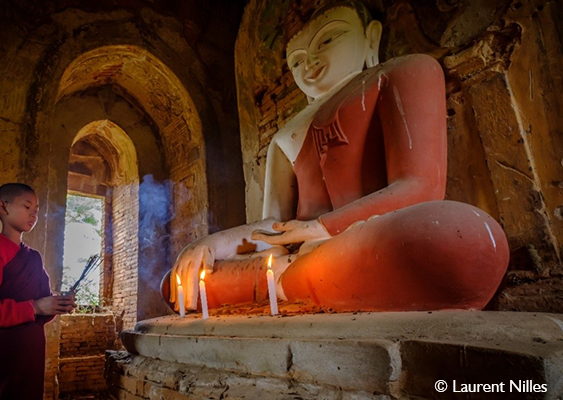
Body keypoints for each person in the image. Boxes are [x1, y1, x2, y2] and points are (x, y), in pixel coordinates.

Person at [166, 1, 509, 313]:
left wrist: (317, 229)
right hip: (310, 255)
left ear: (370, 39)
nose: (309, 64)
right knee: (178, 283)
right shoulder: (283, 136)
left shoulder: (403, 71)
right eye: (297, 60)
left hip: (367, 239)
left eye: (328, 40)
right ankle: (289, 281)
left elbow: (419, 187)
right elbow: (272, 227)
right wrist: (210, 244)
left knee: (463, 239)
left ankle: (284, 284)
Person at [0, 183, 76, 399]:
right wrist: (35, 306)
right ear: (3, 207)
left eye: (36, 210)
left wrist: (56, 304)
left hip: (29, 353)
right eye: (27, 206)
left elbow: (42, 305)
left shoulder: (33, 257)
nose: (33, 214)